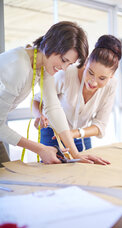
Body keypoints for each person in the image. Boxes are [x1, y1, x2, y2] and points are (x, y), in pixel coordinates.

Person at [0, 21, 109, 165]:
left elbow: (53, 107)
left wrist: (75, 153)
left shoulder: (41, 65)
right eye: (63, 60)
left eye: (69, 64)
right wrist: (40, 149)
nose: (64, 68)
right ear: (50, 45)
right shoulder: (19, 67)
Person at [33, 34, 122, 152]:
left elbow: (100, 125)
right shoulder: (67, 74)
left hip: (82, 134)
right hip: (53, 133)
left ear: (111, 76)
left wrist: (75, 133)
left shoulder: (111, 85)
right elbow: (37, 99)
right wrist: (39, 116)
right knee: (52, 170)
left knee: (86, 168)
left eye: (102, 78)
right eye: (90, 72)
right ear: (86, 63)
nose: (93, 82)